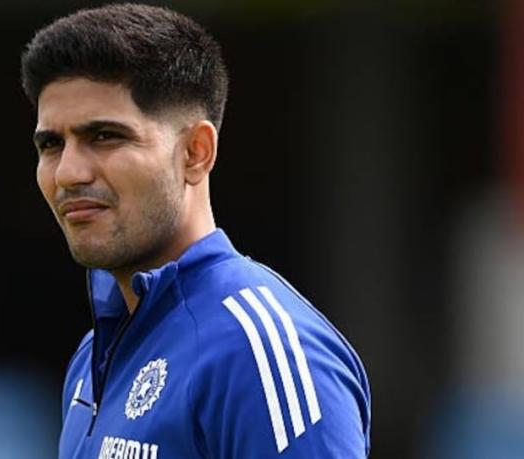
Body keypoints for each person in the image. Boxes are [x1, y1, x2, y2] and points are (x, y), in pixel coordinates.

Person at [20, 4, 370, 458]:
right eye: (51, 144)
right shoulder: (93, 359)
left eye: (105, 136)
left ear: (195, 153)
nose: (68, 173)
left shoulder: (260, 351)